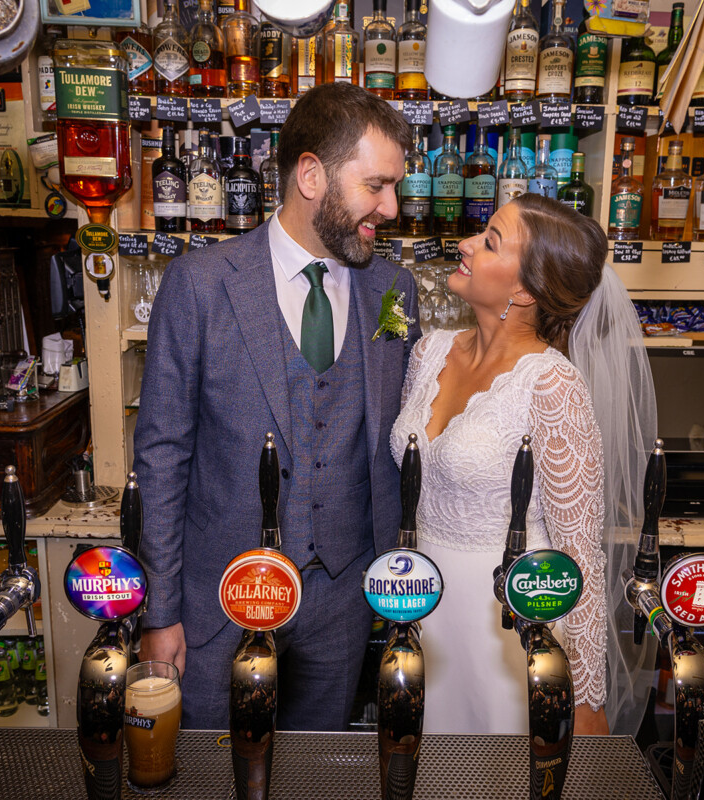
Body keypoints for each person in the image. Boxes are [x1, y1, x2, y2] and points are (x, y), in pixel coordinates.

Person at [134, 82, 419, 731]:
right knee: (210, 771)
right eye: (376, 185)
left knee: (318, 772)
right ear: (312, 174)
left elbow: (404, 425)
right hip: (220, 600)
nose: (392, 206)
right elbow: (161, 456)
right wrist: (161, 612)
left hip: (343, 598)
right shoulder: (200, 285)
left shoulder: (394, 292)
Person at [390, 193, 656, 736]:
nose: (464, 244)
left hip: (510, 615)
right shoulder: (428, 354)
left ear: (524, 289)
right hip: (421, 605)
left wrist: (583, 695)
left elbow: (578, 551)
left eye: (489, 241)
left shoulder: (553, 385)